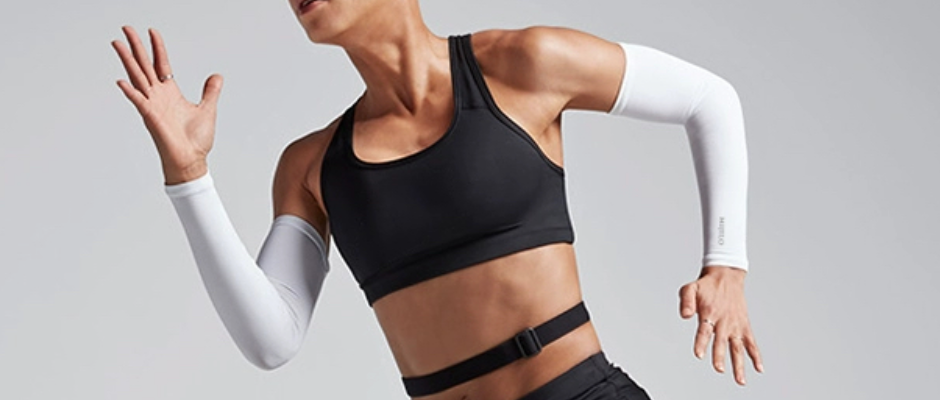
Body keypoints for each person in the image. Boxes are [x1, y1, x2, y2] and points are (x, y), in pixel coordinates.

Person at [110, 0, 763, 399]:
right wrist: (189, 175)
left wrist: (726, 265)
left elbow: (708, 100)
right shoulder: (311, 167)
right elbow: (270, 341)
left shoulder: (521, 64)